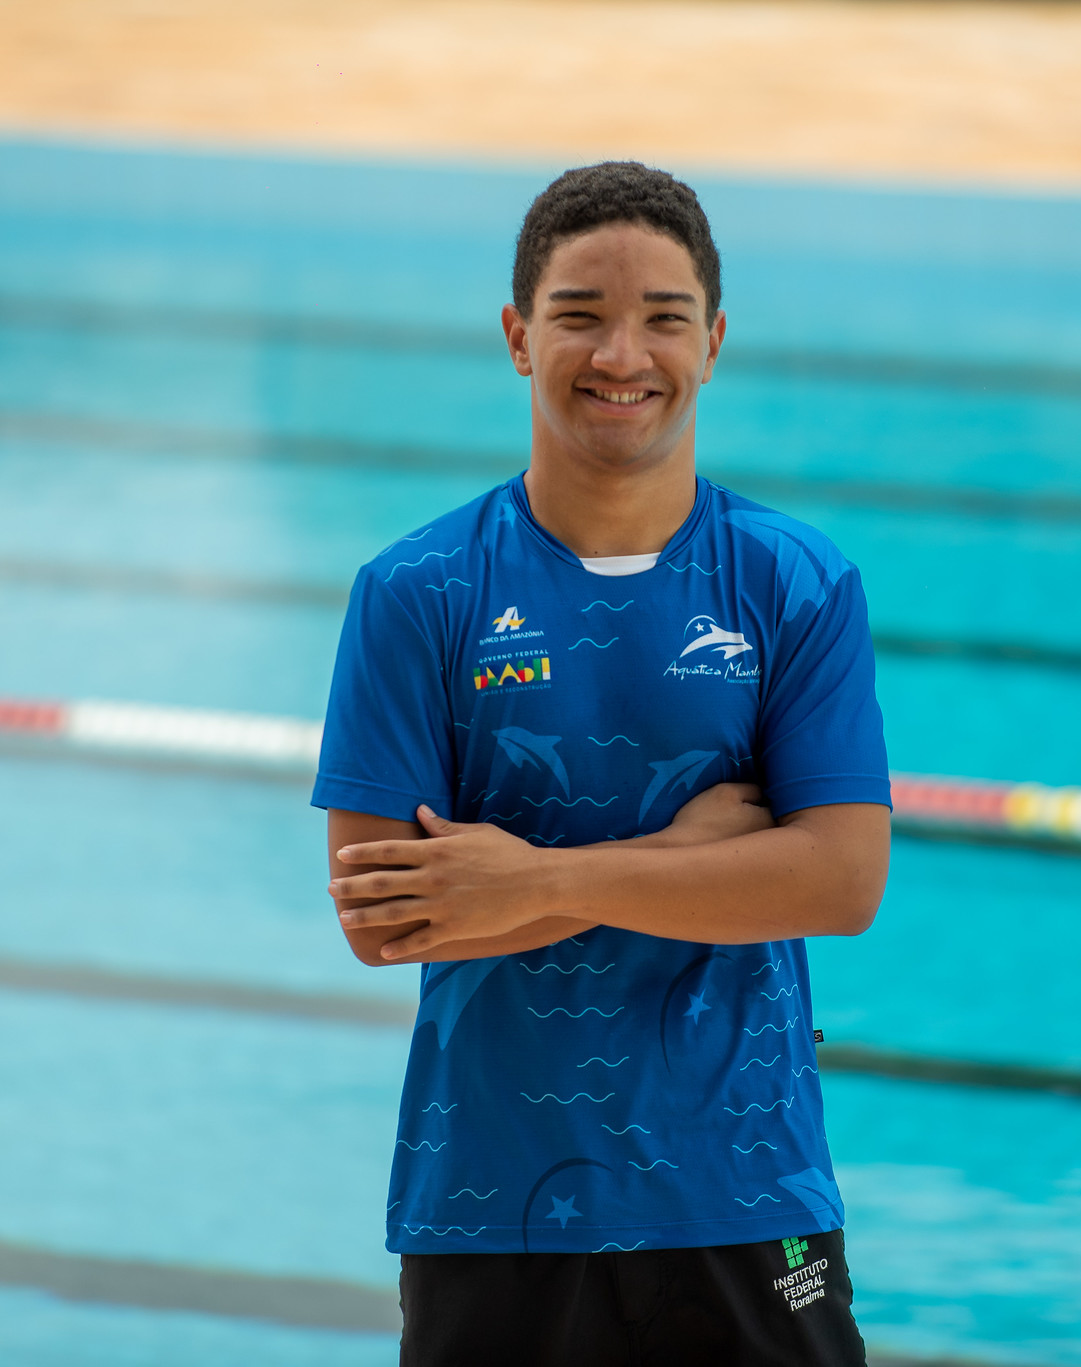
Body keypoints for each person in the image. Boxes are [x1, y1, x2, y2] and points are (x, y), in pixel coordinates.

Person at [313, 160, 891, 1366]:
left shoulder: (794, 582)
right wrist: (691, 858)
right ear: (519, 336)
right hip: (491, 1202)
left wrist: (533, 881)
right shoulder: (416, 593)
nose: (620, 353)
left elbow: (837, 881)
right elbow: (385, 913)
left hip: (749, 1192)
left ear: (713, 341)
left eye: (662, 318)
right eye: (579, 313)